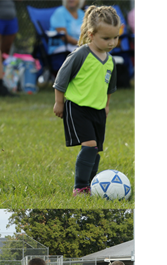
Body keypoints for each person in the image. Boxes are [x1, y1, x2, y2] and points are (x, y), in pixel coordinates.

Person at [52, 6, 120, 196]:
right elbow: (61, 79)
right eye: (106, 38)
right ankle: (80, 187)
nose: (111, 42)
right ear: (91, 34)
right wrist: (59, 102)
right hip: (77, 108)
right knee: (89, 145)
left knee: (96, 149)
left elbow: (109, 87)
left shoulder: (111, 61)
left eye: (115, 37)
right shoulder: (80, 54)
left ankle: (91, 185)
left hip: (98, 111)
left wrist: (106, 105)